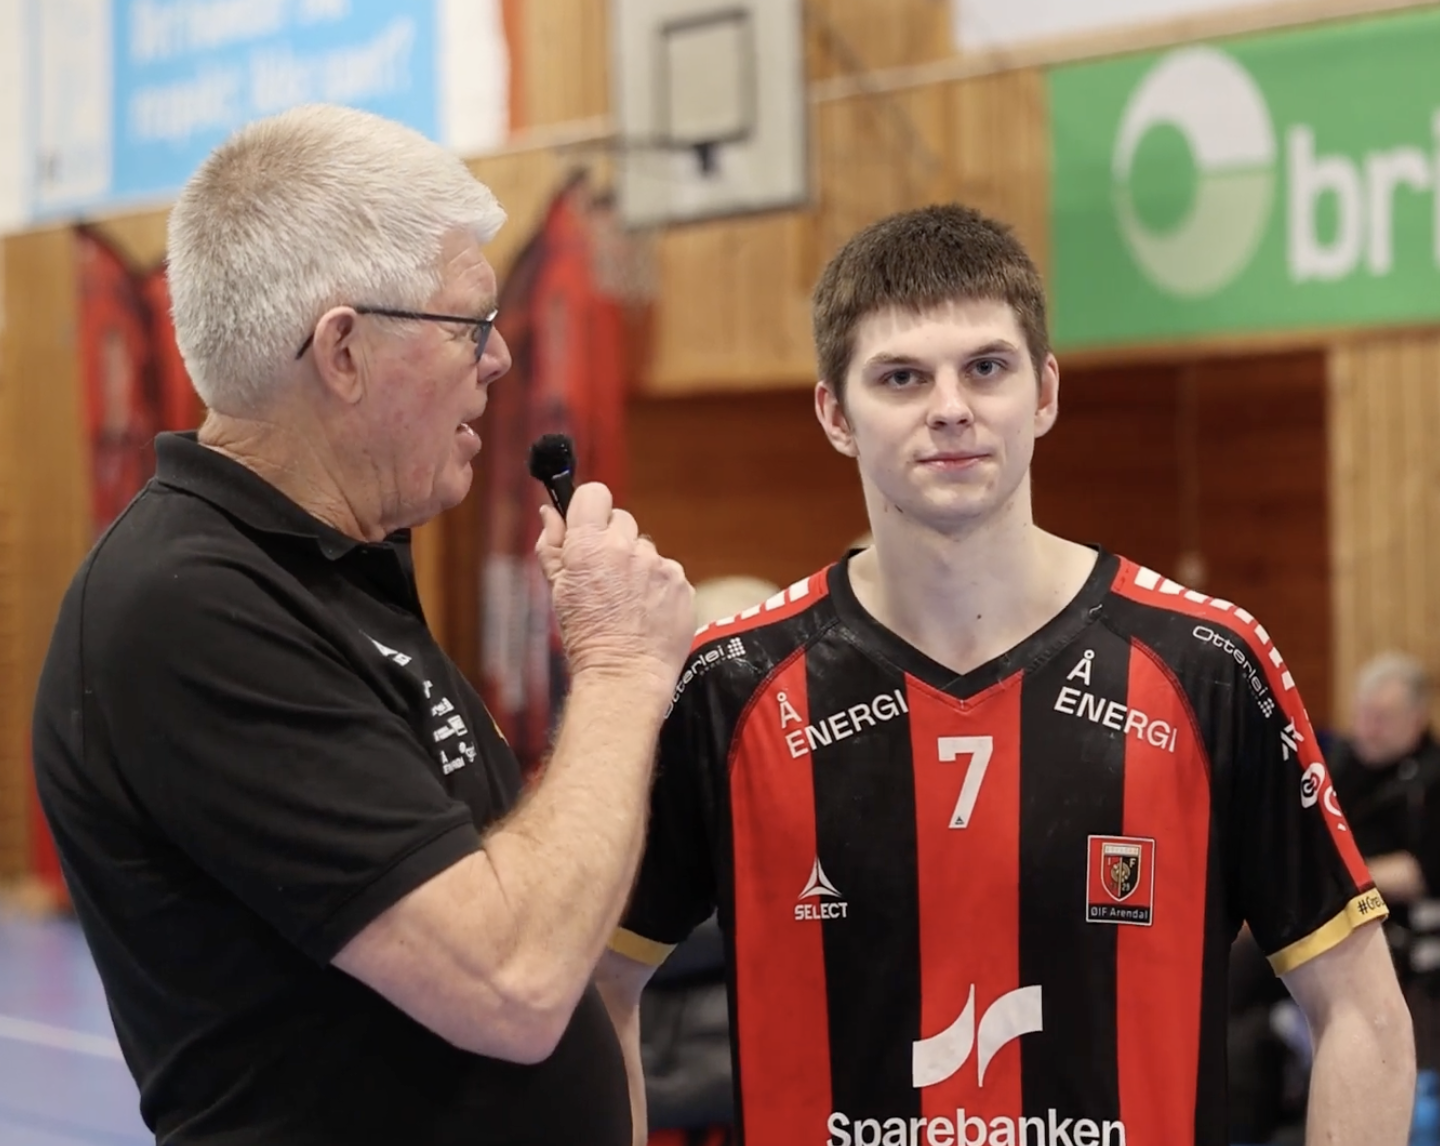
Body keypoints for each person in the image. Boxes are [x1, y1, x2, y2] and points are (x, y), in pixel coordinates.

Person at [593, 204, 1414, 1146]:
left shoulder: (1210, 666)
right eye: (902, 376)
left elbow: (1363, 1015)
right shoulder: (730, 687)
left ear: (1045, 392)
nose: (951, 407)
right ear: (834, 414)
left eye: (986, 367)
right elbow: (594, 991)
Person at [31, 104, 695, 1145]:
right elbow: (513, 981)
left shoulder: (330, 570)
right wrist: (618, 667)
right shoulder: (189, 608)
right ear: (342, 351)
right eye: (468, 323)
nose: (499, 357)